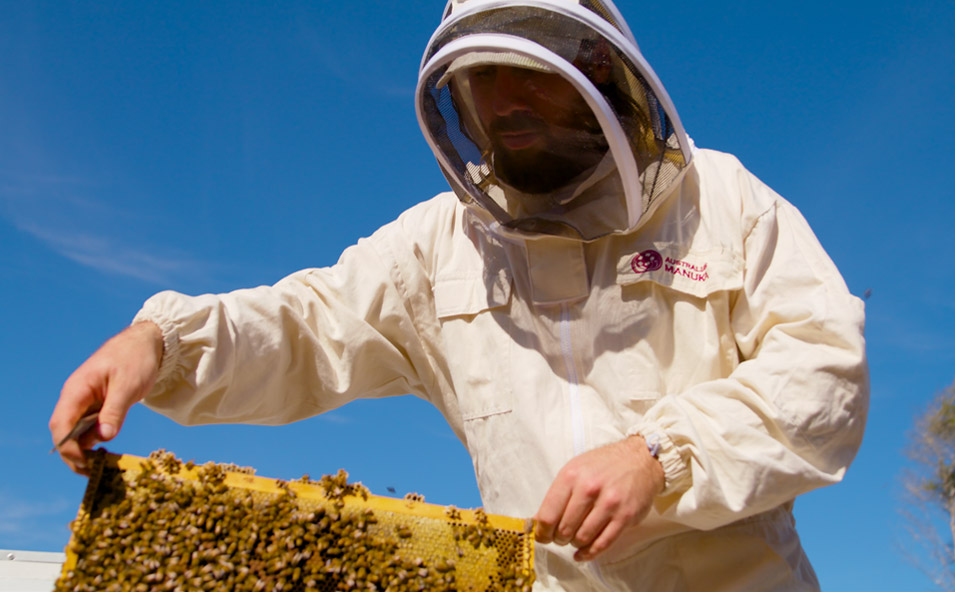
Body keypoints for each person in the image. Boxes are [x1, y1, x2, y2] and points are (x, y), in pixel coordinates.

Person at [49, 0, 869, 590]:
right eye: (482, 82)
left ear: (594, 72)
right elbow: (308, 326)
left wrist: (660, 454)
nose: (505, 103)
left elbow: (823, 375)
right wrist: (164, 342)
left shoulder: (722, 201)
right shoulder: (436, 245)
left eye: (527, 75)